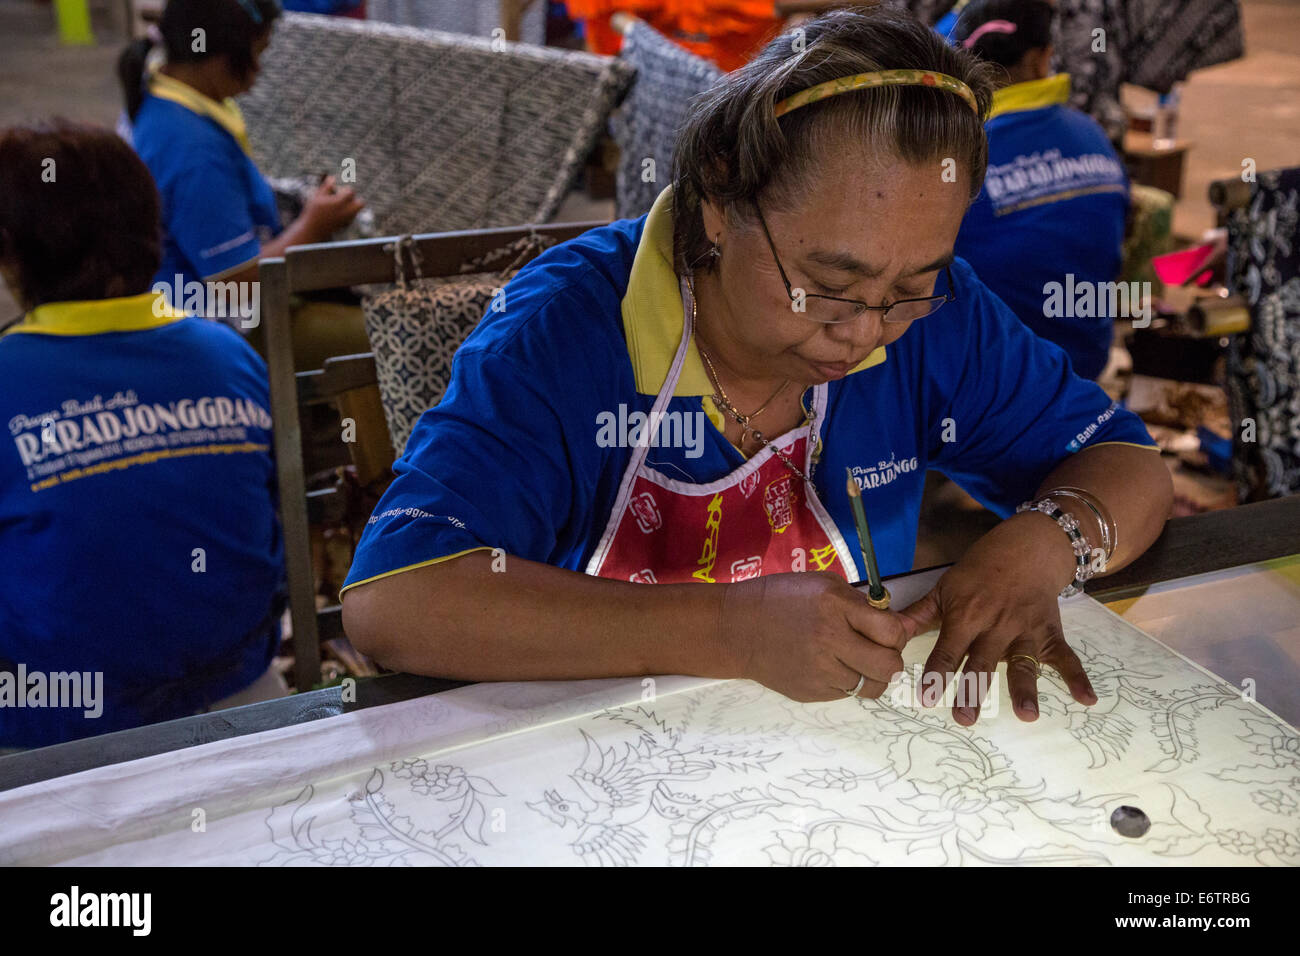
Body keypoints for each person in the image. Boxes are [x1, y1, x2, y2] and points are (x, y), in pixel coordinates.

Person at [340, 6, 1172, 727]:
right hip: (586, 743)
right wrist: (725, 632)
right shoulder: (567, 329)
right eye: (829, 284)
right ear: (721, 195)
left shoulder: (938, 318)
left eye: (910, 288)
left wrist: (1048, 540)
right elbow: (398, 599)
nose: (867, 335)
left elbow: (1131, 466)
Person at [0, 121, 286, 748]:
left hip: (55, 734)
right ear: (151, 225)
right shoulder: (226, 352)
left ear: (12, 255)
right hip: (248, 697)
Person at [118, 0, 368, 363]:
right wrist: (313, 225)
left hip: (205, 307)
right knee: (390, 339)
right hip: (211, 330)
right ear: (222, 59)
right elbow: (236, 287)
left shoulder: (165, 94)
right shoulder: (191, 149)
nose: (260, 70)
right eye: (257, 53)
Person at [950, 0, 1130, 380]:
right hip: (1085, 365)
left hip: (991, 380)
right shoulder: (1090, 133)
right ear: (1042, 58)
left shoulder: (955, 152)